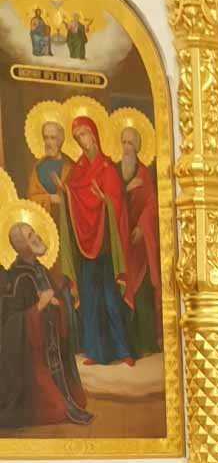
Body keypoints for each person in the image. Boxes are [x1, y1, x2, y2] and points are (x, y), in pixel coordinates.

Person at [59, 114, 135, 366]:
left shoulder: (107, 168)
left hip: (105, 244)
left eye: (84, 134)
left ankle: (123, 350)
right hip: (85, 244)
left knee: (111, 297)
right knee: (90, 298)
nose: (82, 140)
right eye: (77, 137)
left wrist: (105, 201)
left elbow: (116, 203)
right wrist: (65, 192)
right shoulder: (77, 171)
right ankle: (95, 351)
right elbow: (75, 195)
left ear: (94, 135)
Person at [0, 221, 91, 429]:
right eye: (30, 236)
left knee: (78, 399)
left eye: (34, 232)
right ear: (22, 246)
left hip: (54, 357)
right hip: (32, 363)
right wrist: (38, 307)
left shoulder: (41, 270)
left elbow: (59, 308)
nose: (37, 237)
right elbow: (9, 327)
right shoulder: (17, 278)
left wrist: (59, 305)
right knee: (57, 410)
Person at [118, 125, 161, 354]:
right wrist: (125, 189)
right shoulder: (116, 171)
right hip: (122, 244)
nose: (127, 148)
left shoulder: (144, 173)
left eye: (130, 143)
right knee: (123, 293)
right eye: (124, 142)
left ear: (137, 147)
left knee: (142, 295)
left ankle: (146, 344)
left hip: (141, 246)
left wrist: (142, 228)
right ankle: (129, 346)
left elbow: (152, 204)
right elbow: (110, 200)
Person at [26, 120, 67, 218]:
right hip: (45, 220)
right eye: (46, 138)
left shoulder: (70, 167)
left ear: (60, 141)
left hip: (66, 221)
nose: (48, 142)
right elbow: (31, 198)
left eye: (53, 138)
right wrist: (49, 199)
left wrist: (64, 192)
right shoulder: (38, 167)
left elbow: (78, 198)